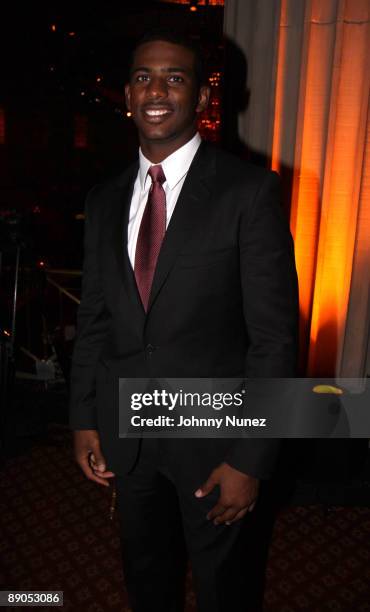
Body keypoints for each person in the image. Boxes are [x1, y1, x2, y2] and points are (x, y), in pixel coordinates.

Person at [70, 30, 299, 612]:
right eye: (144, 76)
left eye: (175, 78)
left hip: (216, 443)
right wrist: (84, 419)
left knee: (226, 590)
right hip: (129, 438)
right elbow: (94, 321)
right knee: (146, 581)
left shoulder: (248, 192)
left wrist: (250, 458)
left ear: (200, 98)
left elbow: (273, 339)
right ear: (126, 94)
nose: (157, 89)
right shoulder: (103, 200)